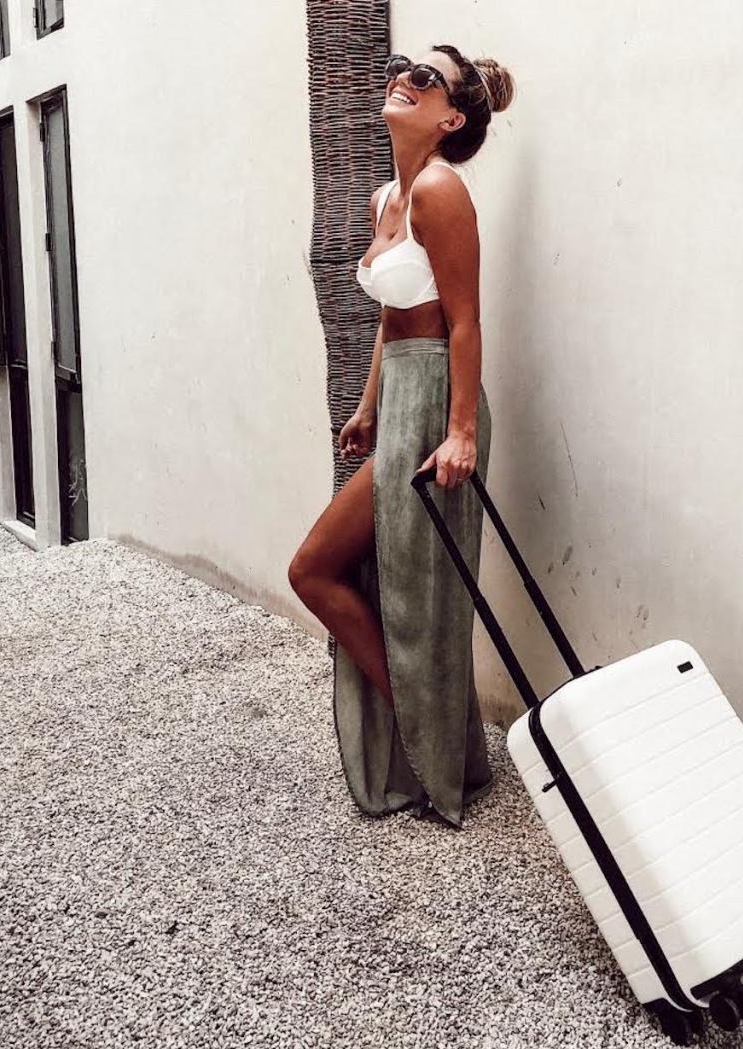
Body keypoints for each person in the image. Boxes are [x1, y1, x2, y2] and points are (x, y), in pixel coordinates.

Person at [288, 45, 516, 829]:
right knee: (348, 573)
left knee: (377, 582)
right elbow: (393, 320)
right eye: (404, 65)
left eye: (428, 79)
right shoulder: (391, 194)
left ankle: (428, 744)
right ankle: (433, 740)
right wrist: (365, 405)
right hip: (404, 396)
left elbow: (464, 321)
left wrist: (460, 433)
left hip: (440, 405)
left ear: (451, 117)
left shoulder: (443, 188)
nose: (405, 77)